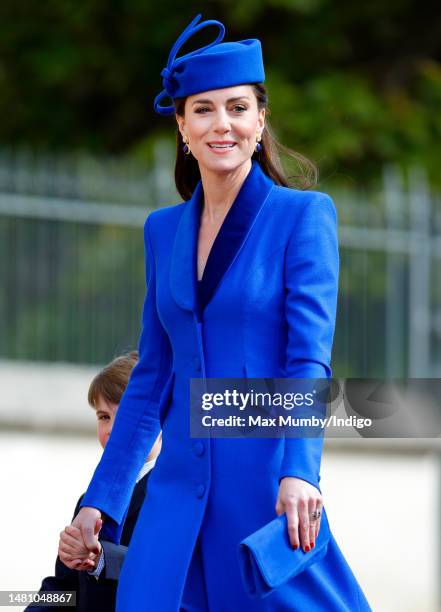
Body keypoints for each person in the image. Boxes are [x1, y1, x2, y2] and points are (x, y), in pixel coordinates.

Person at [66, 14, 372, 611]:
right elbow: (152, 377)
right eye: (202, 109)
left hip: (264, 489)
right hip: (175, 500)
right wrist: (99, 499)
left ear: (260, 119)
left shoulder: (303, 216)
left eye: (237, 107)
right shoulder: (162, 231)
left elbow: (306, 358)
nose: (221, 124)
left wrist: (301, 471)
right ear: (182, 126)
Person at [28, 352, 162, 612]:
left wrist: (102, 559)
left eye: (125, 416)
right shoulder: (88, 502)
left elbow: (165, 571)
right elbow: (65, 590)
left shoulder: (174, 495)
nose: (112, 428)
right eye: (103, 417)